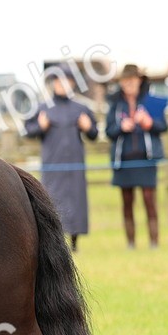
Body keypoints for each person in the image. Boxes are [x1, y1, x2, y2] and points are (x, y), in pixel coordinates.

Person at [24, 71, 98, 251]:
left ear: (73, 84)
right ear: (54, 84)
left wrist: (88, 127)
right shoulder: (43, 108)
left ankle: (74, 242)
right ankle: (55, 240)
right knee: (52, 199)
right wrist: (40, 127)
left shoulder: (81, 109)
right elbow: (28, 130)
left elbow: (94, 133)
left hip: (75, 164)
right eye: (59, 81)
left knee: (76, 200)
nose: (63, 85)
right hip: (53, 163)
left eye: (68, 81)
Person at [105, 63, 168, 249]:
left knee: (149, 200)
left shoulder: (151, 102)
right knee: (127, 201)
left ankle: (154, 242)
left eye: (132, 80)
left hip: (146, 158)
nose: (129, 84)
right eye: (125, 80)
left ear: (140, 81)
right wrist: (121, 127)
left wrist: (149, 123)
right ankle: (131, 243)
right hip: (124, 160)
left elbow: (163, 126)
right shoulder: (115, 105)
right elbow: (109, 131)